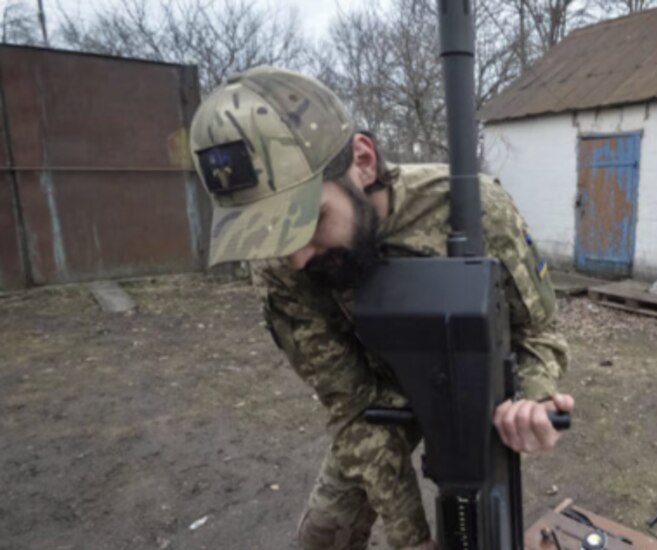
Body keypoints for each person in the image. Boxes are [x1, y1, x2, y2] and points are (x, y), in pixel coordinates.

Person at [189, 66, 572, 550]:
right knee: (322, 538)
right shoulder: (279, 266)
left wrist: (533, 399)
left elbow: (539, 333)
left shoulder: (473, 209)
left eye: (310, 221)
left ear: (363, 162)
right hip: (376, 395)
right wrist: (411, 539)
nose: (297, 258)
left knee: (483, 525)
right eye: (271, 234)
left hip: (470, 382)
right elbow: (351, 405)